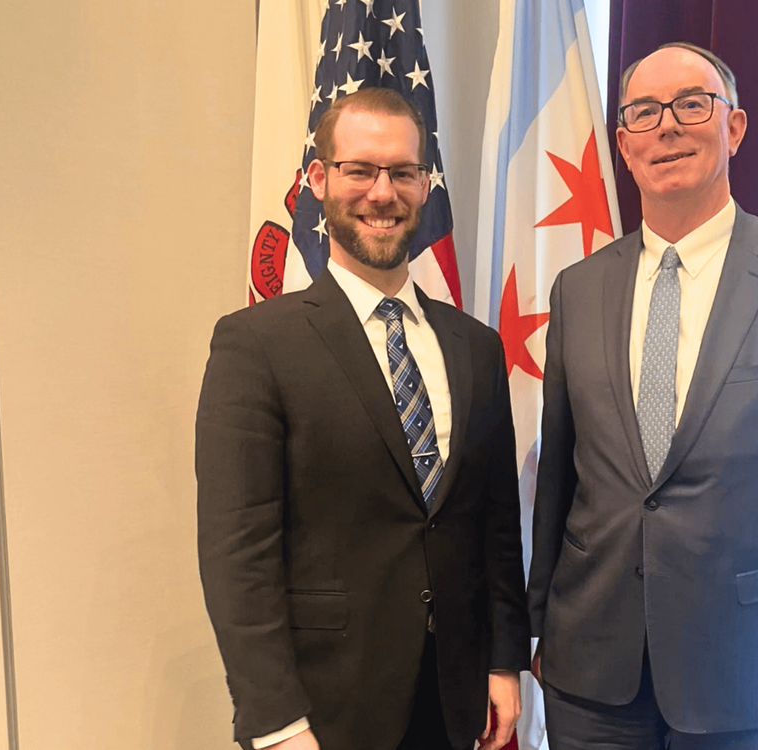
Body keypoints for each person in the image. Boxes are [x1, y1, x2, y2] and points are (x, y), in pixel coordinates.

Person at [527, 42, 758, 750]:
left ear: (734, 127)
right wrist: (537, 627)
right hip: (590, 671)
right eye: (644, 113)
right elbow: (560, 475)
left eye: (691, 105)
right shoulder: (578, 289)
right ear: (624, 147)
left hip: (750, 670)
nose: (667, 126)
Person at [197, 88, 530, 750]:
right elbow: (238, 555)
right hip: (325, 712)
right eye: (360, 170)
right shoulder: (255, 345)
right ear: (319, 179)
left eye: (403, 172)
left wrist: (502, 660)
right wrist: (275, 721)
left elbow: (495, 525)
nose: (383, 193)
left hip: (455, 697)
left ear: (425, 183)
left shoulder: (477, 347)